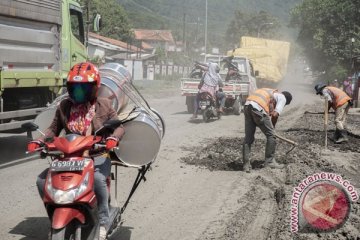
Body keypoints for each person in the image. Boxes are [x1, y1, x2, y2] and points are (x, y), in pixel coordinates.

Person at [27, 62, 125, 240]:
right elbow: (52, 130)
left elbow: (119, 127)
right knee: (42, 181)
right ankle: (56, 213)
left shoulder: (104, 104)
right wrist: (39, 141)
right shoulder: (64, 106)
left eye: (84, 87)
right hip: (70, 156)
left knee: (97, 179)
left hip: (97, 155)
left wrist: (113, 138)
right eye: (75, 87)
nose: (79, 91)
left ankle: (103, 221)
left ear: (95, 87)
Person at [242, 88, 292, 173]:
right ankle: (270, 162)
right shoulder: (282, 98)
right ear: (286, 101)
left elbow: (271, 113)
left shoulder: (270, 92)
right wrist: (272, 129)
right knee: (271, 136)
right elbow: (275, 115)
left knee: (248, 138)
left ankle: (246, 165)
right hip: (257, 107)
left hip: (247, 106)